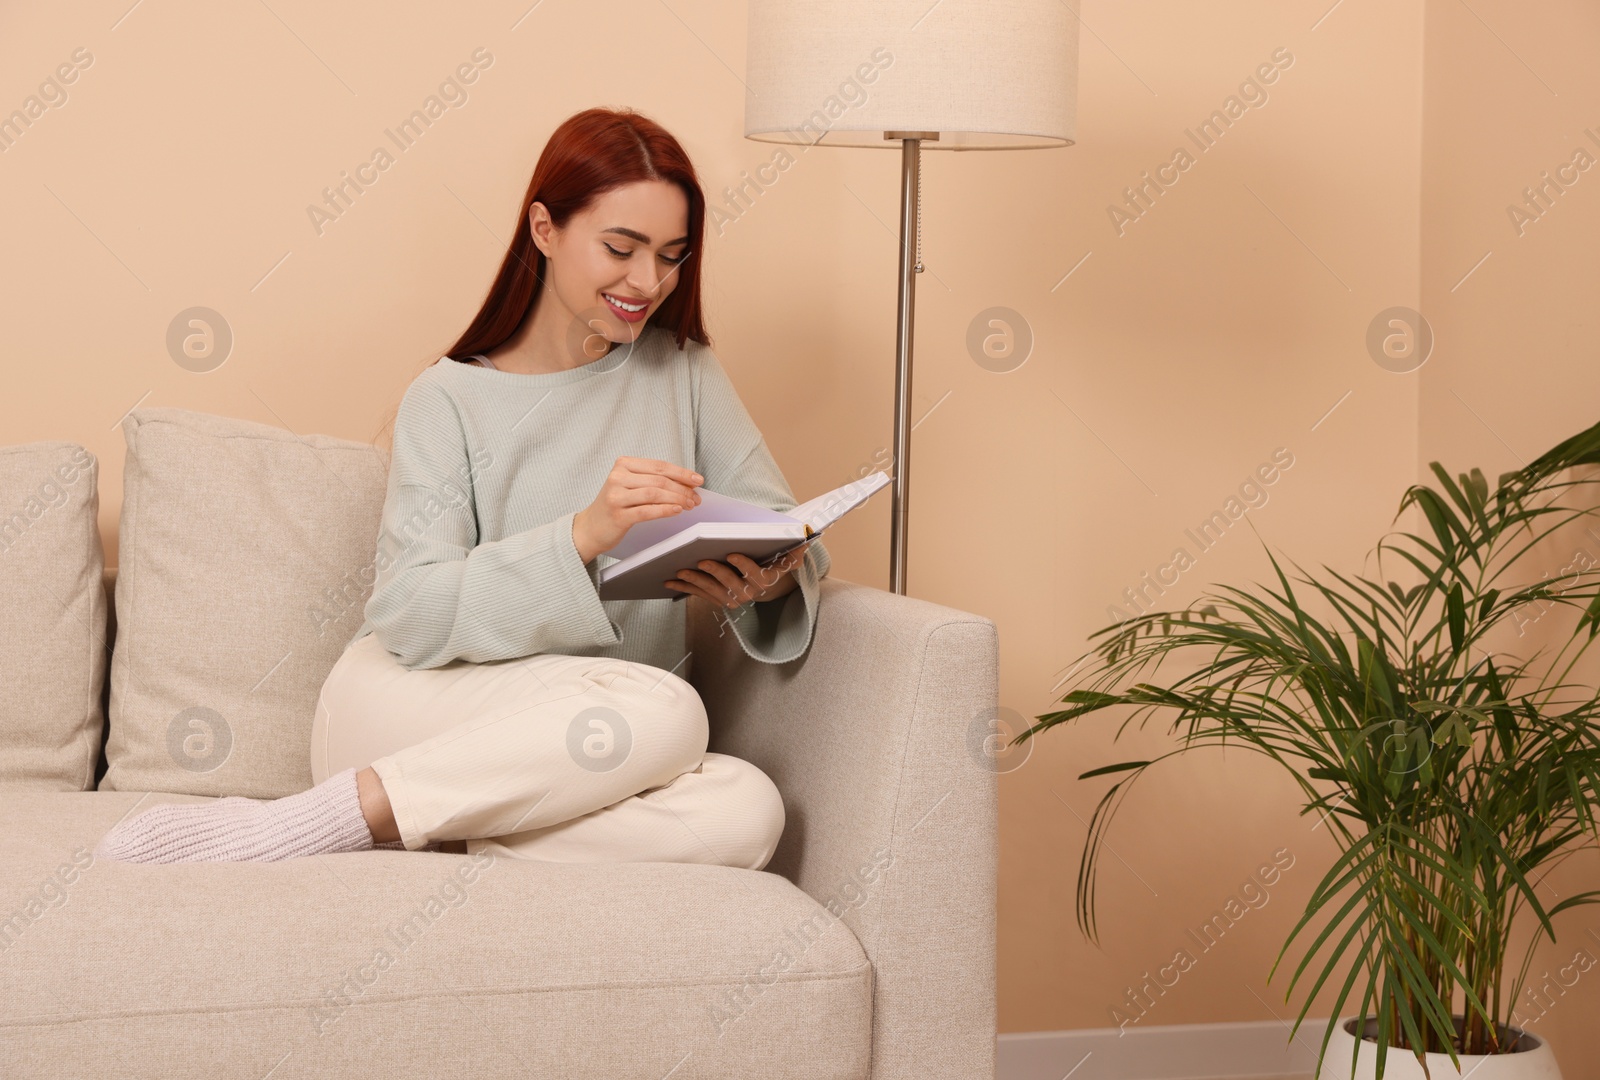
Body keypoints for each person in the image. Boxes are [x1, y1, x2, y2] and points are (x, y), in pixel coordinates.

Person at [93, 106, 830, 866]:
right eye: (622, 247)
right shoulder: (446, 399)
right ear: (544, 229)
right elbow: (409, 613)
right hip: (409, 706)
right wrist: (584, 536)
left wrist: (764, 582)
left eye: (672, 255)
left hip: (581, 745)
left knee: (749, 811)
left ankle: (453, 829)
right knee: (671, 710)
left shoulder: (685, 374)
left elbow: (782, 529)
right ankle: (312, 821)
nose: (648, 282)